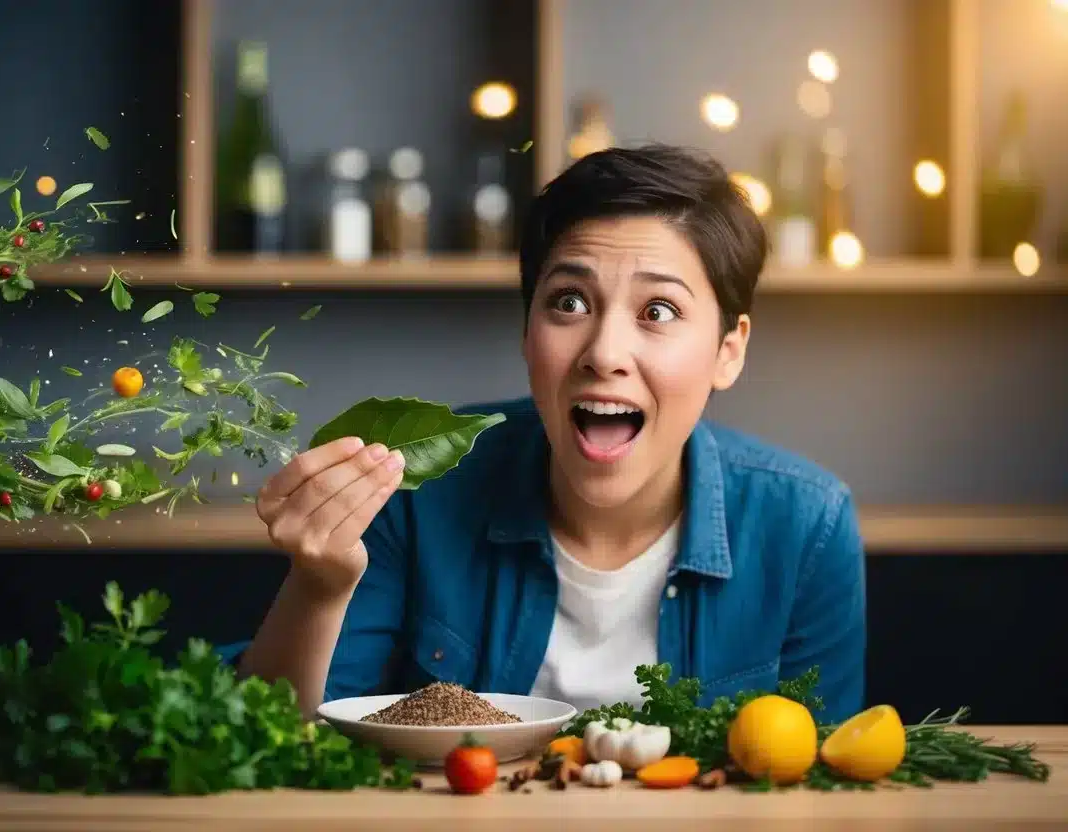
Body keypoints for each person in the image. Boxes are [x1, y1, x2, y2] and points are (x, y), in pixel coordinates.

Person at [219, 144, 866, 724]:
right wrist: (318, 585)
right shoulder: (417, 489)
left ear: (728, 350)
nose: (604, 352)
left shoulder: (807, 526)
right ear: (527, 332)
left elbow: (817, 779)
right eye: (569, 303)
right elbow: (274, 741)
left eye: (658, 311)